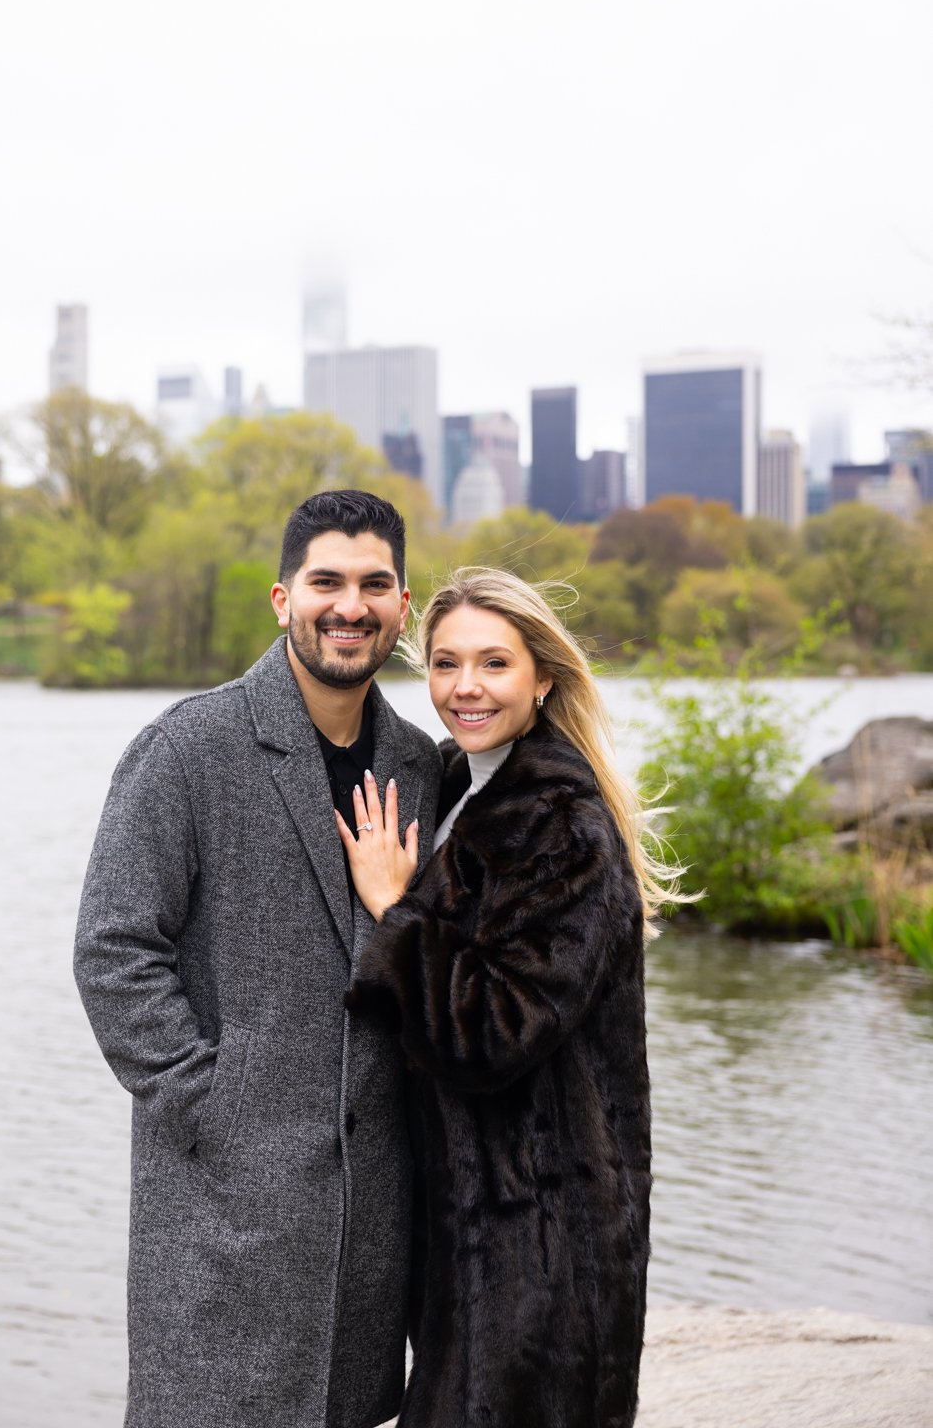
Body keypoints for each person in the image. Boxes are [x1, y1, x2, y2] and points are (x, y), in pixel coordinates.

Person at [73, 489, 442, 1428]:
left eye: (374, 584)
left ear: (402, 607)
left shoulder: (418, 765)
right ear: (284, 599)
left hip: (366, 1228)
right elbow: (113, 948)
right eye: (326, 581)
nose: (348, 605)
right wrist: (210, 1104)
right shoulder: (188, 748)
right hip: (220, 1212)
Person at [341, 567, 672, 1428]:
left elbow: (494, 1030)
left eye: (493, 664)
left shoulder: (561, 823)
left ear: (542, 678)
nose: (465, 688)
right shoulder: (453, 783)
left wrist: (394, 909)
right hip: (470, 1216)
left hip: (542, 1233)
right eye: (446, 664)